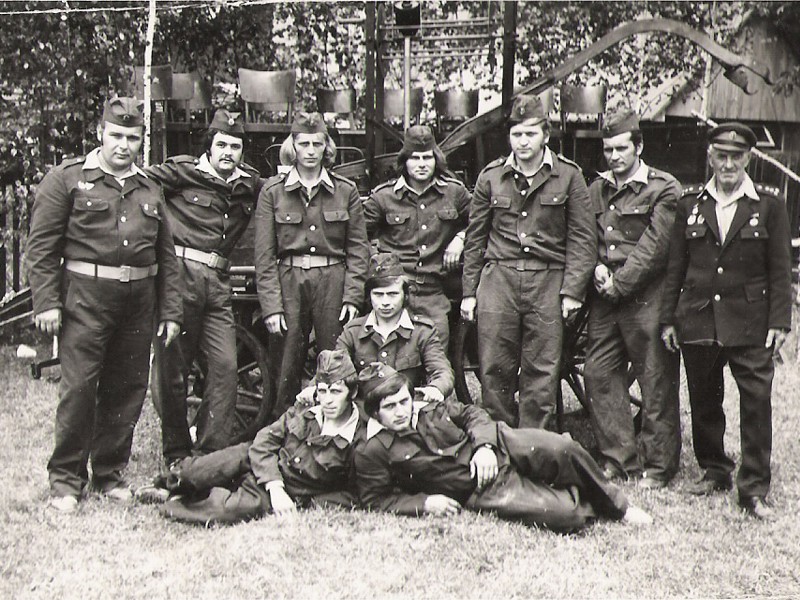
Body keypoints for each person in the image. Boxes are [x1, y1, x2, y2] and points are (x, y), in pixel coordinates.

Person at [26, 96, 183, 513]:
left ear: (140, 141)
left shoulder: (149, 187)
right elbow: (41, 248)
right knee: (79, 389)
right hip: (85, 300)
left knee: (127, 389)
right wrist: (46, 303)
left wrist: (170, 311)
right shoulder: (68, 179)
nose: (123, 145)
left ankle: (110, 473)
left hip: (138, 302)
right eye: (116, 135)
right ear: (101, 133)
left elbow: (166, 256)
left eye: (132, 138)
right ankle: (66, 480)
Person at [661, 123, 792, 520]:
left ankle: (753, 487)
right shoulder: (690, 203)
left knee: (756, 403)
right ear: (710, 157)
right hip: (699, 317)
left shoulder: (769, 204)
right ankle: (715, 469)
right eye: (722, 156)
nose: (729, 164)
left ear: (748, 158)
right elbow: (676, 267)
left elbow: (780, 270)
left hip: (750, 321)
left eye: (737, 156)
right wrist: (669, 319)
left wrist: (780, 321)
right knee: (704, 399)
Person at [354, 362, 652, 531]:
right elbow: (376, 499)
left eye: (403, 401)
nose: (401, 411)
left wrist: (484, 447)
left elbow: (472, 414)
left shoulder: (426, 405)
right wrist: (424, 503)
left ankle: (619, 508)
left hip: (499, 442)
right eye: (390, 407)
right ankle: (579, 492)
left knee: (563, 447)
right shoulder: (372, 450)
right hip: (479, 487)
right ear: (375, 413)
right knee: (566, 517)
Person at [460, 95, 596, 429]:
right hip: (499, 280)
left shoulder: (569, 176)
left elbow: (582, 238)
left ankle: (535, 447)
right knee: (495, 370)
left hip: (547, 281)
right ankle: (500, 443)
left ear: (545, 135)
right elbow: (475, 239)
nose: (523, 142)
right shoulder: (491, 177)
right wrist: (469, 293)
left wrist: (573, 291)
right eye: (517, 134)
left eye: (531, 134)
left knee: (541, 372)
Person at [144, 109, 264, 468]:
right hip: (179, 278)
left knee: (226, 367)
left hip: (218, 283)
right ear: (209, 147)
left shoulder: (249, 184)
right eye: (222, 145)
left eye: (235, 146)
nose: (228, 152)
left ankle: (210, 455)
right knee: (174, 371)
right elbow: (137, 186)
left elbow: (281, 190)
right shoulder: (182, 172)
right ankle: (177, 454)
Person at [583, 108, 682, 488]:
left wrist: (620, 283)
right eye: (608, 149)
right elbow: (586, 237)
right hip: (605, 297)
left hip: (647, 296)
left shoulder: (663, 188)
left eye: (621, 148)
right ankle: (619, 459)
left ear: (638, 147)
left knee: (655, 378)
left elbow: (656, 246)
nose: (614, 156)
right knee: (598, 372)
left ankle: (658, 466)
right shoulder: (596, 189)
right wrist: (596, 268)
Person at [155, 350, 365, 525]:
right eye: (323, 391)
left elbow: (354, 493)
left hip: (285, 488)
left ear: (353, 392)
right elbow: (265, 440)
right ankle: (166, 485)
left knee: (226, 510)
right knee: (197, 471)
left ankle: (175, 502)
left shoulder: (359, 438)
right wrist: (275, 485)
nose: (327, 400)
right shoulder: (306, 410)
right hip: (256, 459)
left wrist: (305, 501)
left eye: (336, 392)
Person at [254, 112, 370, 419]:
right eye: (303, 143)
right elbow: (264, 255)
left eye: (317, 144)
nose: (310, 150)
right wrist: (272, 307)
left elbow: (358, 249)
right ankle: (284, 428)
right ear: (292, 146)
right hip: (289, 281)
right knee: (285, 364)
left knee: (336, 360)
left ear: (326, 147)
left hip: (333, 281)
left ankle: (336, 429)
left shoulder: (345, 191)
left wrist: (352, 296)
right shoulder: (273, 191)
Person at [295, 253, 454, 406]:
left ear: (405, 295)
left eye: (392, 294)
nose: (385, 302)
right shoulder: (353, 331)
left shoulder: (422, 331)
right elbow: (332, 368)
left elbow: (442, 371)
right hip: (364, 413)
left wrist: (436, 388)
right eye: (378, 294)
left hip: (404, 411)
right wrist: (312, 388)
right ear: (369, 296)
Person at [363, 125, 471, 349]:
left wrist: (460, 238)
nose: (422, 164)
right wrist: (379, 263)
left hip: (434, 293)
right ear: (404, 161)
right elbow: (358, 236)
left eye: (427, 157)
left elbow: (481, 223)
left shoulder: (455, 193)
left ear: (436, 160)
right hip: (394, 294)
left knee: (437, 352)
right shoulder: (383, 197)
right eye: (415, 158)